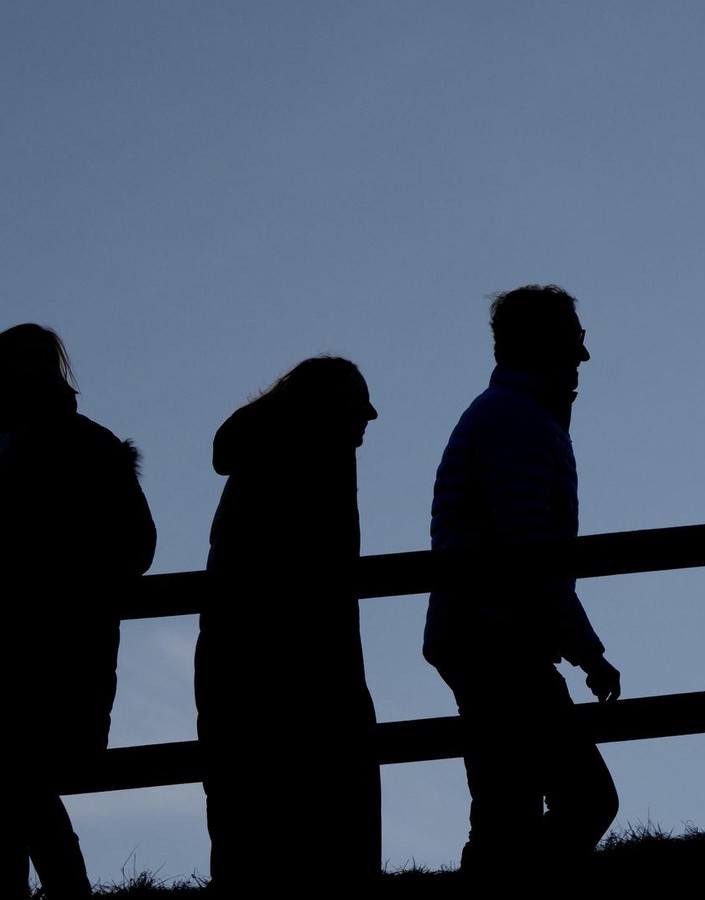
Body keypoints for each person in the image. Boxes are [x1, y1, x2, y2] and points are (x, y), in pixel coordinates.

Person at [0, 323, 156, 899]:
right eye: (16, 361)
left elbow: (135, 545)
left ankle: (49, 896)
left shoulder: (85, 444)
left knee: (11, 780)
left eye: (36, 360)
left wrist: (62, 589)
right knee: (1, 786)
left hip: (50, 647)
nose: (26, 371)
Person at [423, 285, 621, 880]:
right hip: (495, 634)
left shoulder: (510, 415)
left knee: (503, 809)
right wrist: (586, 648)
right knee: (581, 799)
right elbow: (529, 546)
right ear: (543, 343)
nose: (583, 357)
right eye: (574, 340)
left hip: (484, 631)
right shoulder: (517, 421)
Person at [197, 356, 381, 892]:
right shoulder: (321, 457)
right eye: (359, 401)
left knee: (246, 811)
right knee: (326, 804)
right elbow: (324, 574)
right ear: (331, 407)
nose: (370, 415)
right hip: (312, 661)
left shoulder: (264, 454)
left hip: (237, 659)